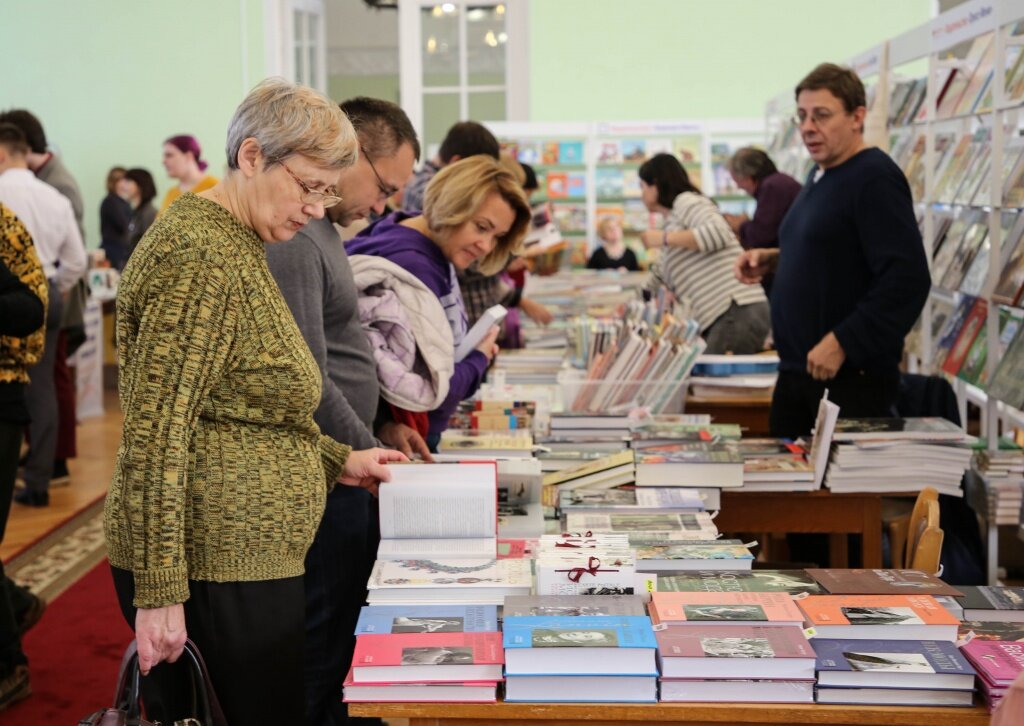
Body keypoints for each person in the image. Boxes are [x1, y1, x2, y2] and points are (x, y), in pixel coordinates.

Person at [103, 79, 406, 725]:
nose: (318, 208)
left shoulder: (237, 243)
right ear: (249, 157)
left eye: (330, 191)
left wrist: (337, 460)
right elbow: (157, 434)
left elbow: (243, 412)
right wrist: (160, 595)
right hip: (211, 564)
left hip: (240, 558)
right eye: (308, 185)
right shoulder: (200, 254)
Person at [265, 95, 429, 726]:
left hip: (349, 462)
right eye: (384, 186)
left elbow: (339, 352)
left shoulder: (324, 232)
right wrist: (368, 454)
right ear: (350, 151)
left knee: (337, 642)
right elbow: (310, 377)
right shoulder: (298, 236)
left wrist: (380, 430)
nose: (384, 206)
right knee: (324, 646)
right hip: (329, 473)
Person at [735, 63, 930, 438]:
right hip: (798, 374)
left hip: (845, 381)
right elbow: (838, 247)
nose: (808, 126)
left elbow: (907, 278)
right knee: (785, 494)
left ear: (857, 117)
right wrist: (774, 258)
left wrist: (844, 341)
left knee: (836, 498)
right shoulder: (820, 174)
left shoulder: (874, 178)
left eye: (821, 115)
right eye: (803, 116)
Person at [347, 155, 531, 450]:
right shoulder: (414, 265)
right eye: (481, 227)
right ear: (452, 206)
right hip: (406, 437)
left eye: (497, 237)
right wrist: (480, 358)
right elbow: (432, 392)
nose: (486, 246)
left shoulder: (411, 237)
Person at [0, 123, 86, 507]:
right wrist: (53, 287)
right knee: (43, 388)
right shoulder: (54, 196)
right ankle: (39, 481)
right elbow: (77, 261)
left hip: (5, 297)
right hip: (47, 291)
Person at [638, 153, 769, 355]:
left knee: (716, 383)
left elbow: (718, 233)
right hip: (723, 316)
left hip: (734, 309)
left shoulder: (687, 202)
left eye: (643, 187)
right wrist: (631, 304)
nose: (641, 194)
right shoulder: (672, 221)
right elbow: (659, 277)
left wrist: (663, 238)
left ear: (656, 184)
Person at [0, 203, 47, 713]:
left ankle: (8, 665)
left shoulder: (5, 224)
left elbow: (30, 309)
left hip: (3, 388)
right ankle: (15, 603)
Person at [722, 147, 801, 295]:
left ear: (749, 177)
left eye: (738, 181)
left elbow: (760, 236)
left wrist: (740, 225)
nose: (738, 186)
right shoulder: (779, 183)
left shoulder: (773, 187)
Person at [402, 120, 500, 212]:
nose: (480, 182)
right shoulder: (432, 195)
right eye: (480, 174)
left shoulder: (421, 182)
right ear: (457, 163)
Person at [158, 134, 218, 213]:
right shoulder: (171, 193)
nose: (163, 161)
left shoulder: (214, 187)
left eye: (169, 155)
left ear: (188, 156)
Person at [118, 167, 158, 259]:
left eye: (128, 181)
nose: (123, 186)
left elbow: (150, 251)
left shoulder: (149, 214)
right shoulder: (135, 213)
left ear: (140, 185)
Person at [99, 166, 131, 269]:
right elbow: (124, 225)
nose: (127, 184)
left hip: (120, 250)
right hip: (114, 252)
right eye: (124, 181)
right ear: (115, 182)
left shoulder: (122, 202)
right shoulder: (111, 202)